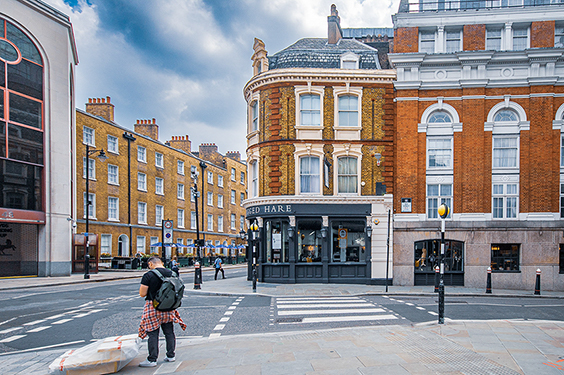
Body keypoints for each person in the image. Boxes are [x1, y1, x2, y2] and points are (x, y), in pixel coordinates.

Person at [138, 256, 186, 367]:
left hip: (153, 306)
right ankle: (170, 356)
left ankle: (152, 360)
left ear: (150, 264)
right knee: (169, 332)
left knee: (153, 333)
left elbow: (142, 293)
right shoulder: (172, 274)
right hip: (169, 306)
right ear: (162, 263)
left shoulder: (148, 275)